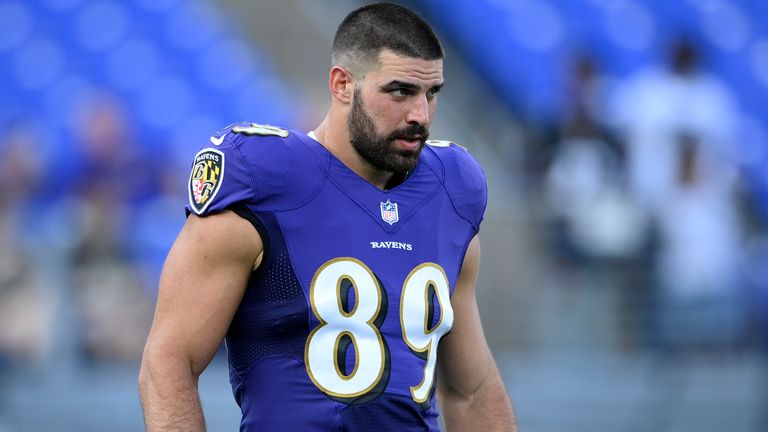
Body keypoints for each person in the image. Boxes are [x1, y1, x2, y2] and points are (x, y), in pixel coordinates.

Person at [138, 3, 517, 431]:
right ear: (342, 85)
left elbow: (471, 389)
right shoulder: (265, 178)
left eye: (431, 93)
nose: (421, 115)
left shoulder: (451, 188)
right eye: (400, 91)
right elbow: (170, 359)